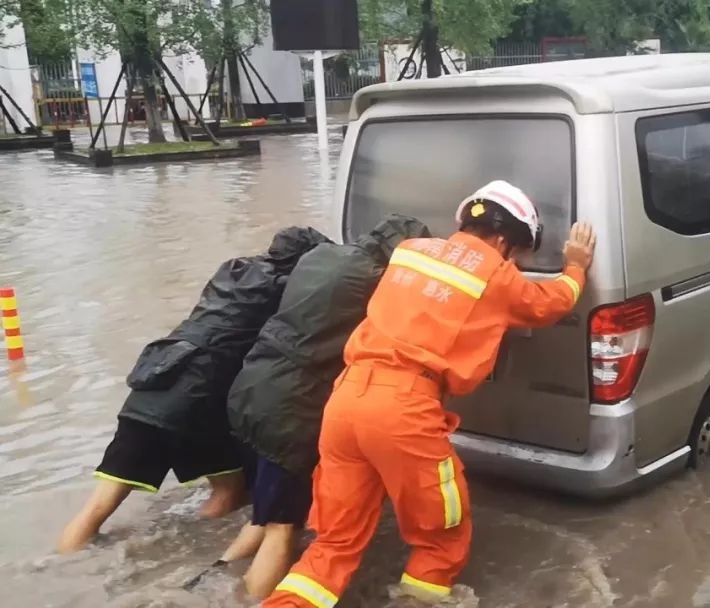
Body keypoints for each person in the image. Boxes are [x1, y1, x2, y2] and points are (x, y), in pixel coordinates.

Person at [264, 180, 597, 607]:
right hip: (403, 408)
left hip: (345, 400)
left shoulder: (409, 251)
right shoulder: (496, 273)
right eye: (517, 252)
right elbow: (550, 303)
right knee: (443, 534)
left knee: (334, 543)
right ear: (503, 241)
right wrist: (576, 265)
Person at [57, 227, 329, 554]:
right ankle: (197, 551)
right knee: (230, 491)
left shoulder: (233, 269)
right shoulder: (284, 290)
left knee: (97, 508)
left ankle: (63, 565)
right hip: (197, 401)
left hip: (153, 384)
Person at [206, 215, 432, 600]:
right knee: (283, 525)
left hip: (250, 387)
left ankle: (211, 582)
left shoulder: (320, 254)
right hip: (290, 408)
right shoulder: (377, 281)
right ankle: (254, 598)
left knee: (264, 510)